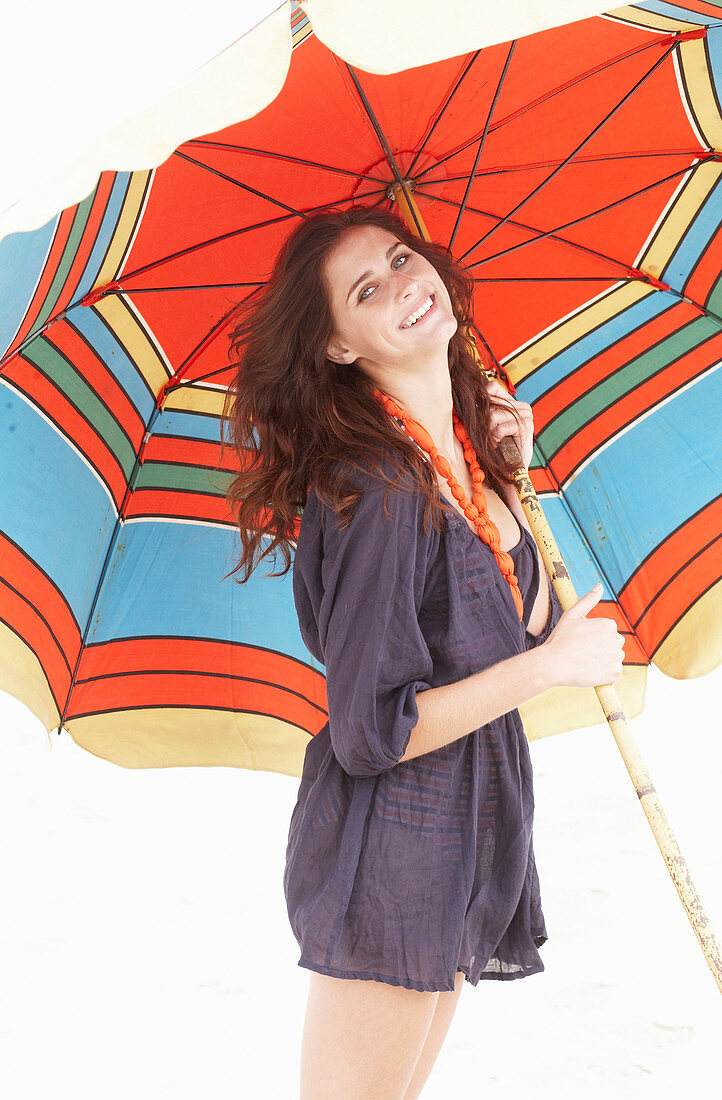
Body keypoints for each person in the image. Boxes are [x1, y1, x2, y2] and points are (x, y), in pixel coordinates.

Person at [223, 205, 625, 1100]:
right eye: (368, 289)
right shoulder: (380, 485)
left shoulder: (453, 458)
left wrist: (510, 487)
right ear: (334, 346)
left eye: (403, 258)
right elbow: (371, 732)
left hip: (466, 825)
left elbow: (501, 630)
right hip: (393, 845)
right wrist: (552, 668)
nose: (407, 284)